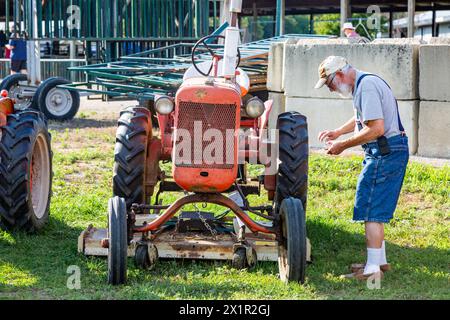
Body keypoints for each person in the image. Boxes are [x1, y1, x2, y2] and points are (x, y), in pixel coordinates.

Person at [314, 56, 409, 280]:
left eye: (329, 84)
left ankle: (372, 272)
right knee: (375, 208)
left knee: (371, 210)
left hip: (384, 152)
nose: (331, 90)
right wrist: (338, 132)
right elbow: (363, 116)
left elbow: (375, 128)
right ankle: (379, 262)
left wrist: (342, 145)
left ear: (339, 75)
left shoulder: (365, 87)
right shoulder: (364, 83)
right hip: (388, 151)